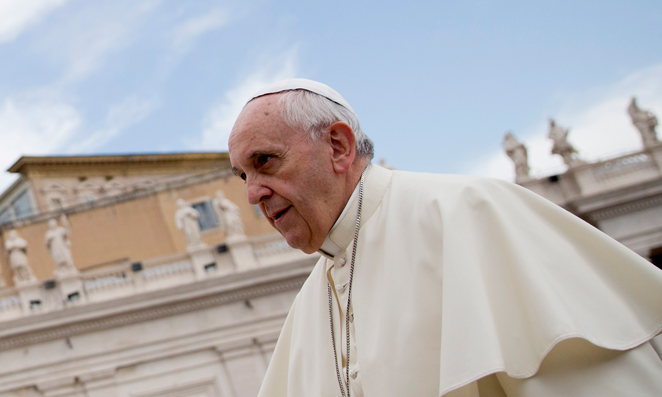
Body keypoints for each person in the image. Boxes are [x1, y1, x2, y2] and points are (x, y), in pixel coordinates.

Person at [228, 78, 662, 397]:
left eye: (265, 161)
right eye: (243, 175)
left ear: (338, 146)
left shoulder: (473, 213)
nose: (252, 194)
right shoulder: (308, 305)